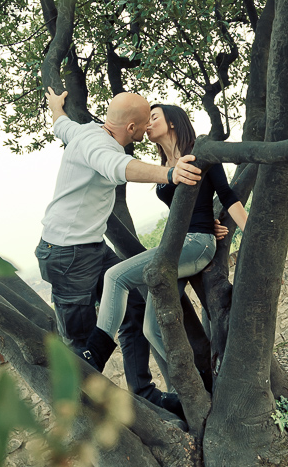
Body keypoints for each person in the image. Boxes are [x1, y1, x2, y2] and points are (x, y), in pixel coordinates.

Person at [35, 88, 201, 414]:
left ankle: (144, 394)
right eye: (143, 125)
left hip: (90, 248)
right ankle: (93, 423)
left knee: (132, 307)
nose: (146, 130)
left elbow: (61, 125)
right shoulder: (102, 146)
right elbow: (118, 165)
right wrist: (170, 173)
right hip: (66, 257)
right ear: (130, 130)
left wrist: (56, 106)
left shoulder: (84, 130)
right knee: (81, 349)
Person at [76, 103, 247, 374]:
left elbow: (226, 195)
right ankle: (199, 384)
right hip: (177, 246)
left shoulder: (199, 152)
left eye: (153, 117)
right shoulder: (164, 167)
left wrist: (249, 234)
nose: (148, 123)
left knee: (115, 277)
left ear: (172, 122)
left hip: (196, 244)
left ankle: (94, 355)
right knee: (151, 329)